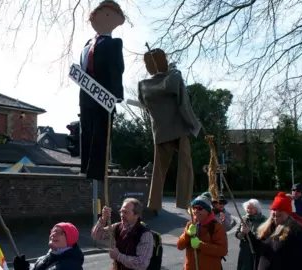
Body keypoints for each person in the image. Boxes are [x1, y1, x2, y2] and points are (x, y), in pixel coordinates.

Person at [138, 48, 201, 212]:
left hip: (159, 131)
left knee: (158, 171)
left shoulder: (143, 85)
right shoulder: (174, 78)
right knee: (185, 166)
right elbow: (184, 104)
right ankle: (184, 201)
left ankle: (154, 202)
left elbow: (144, 105)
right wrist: (194, 125)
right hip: (178, 128)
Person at [78, 0, 125, 180]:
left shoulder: (114, 44)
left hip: (104, 95)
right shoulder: (87, 44)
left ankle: (97, 171)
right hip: (86, 96)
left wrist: (115, 96)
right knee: (87, 130)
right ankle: (85, 167)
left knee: (100, 133)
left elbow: (117, 69)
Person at [254, 192, 302, 270]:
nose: (276, 213)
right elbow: (260, 249)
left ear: (288, 213)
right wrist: (248, 234)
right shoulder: (267, 228)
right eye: (274, 209)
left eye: (281, 210)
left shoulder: (297, 232)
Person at [91, 198, 153, 270]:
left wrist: (118, 256)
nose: (122, 215)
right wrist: (103, 218)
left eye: (126, 212)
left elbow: (142, 264)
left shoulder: (145, 234)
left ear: (136, 215)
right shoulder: (117, 227)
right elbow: (96, 235)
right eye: (121, 211)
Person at [177, 194, 228, 270]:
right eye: (194, 208)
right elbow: (180, 246)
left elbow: (222, 251)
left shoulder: (216, 227)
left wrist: (200, 245)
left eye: (200, 208)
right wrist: (187, 234)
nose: (195, 211)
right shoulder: (190, 224)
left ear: (207, 211)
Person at [13, 222, 84, 270]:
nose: (53, 234)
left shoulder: (71, 266)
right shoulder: (44, 258)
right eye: (53, 231)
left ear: (69, 239)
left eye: (59, 232)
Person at [235, 199, 266, 270]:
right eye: (247, 208)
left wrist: (249, 232)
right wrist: (242, 233)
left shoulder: (263, 220)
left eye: (251, 208)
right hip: (244, 251)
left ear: (257, 209)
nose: (249, 210)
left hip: (256, 250)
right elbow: (237, 234)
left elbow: (261, 237)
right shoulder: (244, 219)